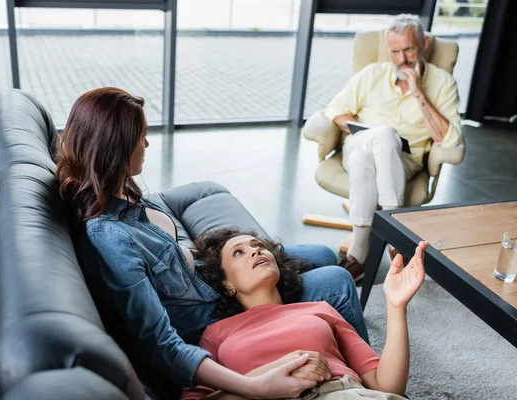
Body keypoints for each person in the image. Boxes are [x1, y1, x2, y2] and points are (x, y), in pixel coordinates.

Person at [56, 87, 369, 398]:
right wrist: (254, 386)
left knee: (323, 253)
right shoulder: (109, 238)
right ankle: (367, 381)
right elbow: (162, 343)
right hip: (213, 308)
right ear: (116, 149)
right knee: (338, 281)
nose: (147, 143)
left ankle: (352, 356)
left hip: (205, 272)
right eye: (141, 136)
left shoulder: (112, 190)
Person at [182, 228, 428, 399]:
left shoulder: (321, 309)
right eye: (239, 252)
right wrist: (268, 375)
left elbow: (387, 386)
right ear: (227, 284)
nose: (256, 251)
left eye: (258, 246)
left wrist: (396, 306)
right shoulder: (215, 333)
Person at [322, 14, 461, 279]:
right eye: (395, 51)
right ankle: (396, 235)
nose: (402, 59)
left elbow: (449, 139)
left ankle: (358, 255)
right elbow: (334, 110)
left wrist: (418, 90)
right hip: (359, 143)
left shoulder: (443, 83)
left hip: (404, 160)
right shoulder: (372, 74)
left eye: (408, 49)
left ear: (424, 43)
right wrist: (360, 130)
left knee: (371, 152)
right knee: (379, 137)